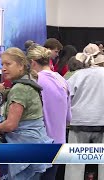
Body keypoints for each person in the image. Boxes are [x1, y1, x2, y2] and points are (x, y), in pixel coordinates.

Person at [0, 47, 52, 180]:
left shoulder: (19, 89)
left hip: (25, 148)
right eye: (2, 64)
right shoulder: (29, 83)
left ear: (21, 66)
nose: (3, 68)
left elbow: (11, 125)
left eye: (8, 64)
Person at [65, 44, 104, 180]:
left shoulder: (76, 76)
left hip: (78, 122)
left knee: (75, 162)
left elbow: (67, 98)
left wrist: (67, 120)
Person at [27, 45, 71, 180]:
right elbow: (69, 117)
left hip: (40, 142)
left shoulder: (34, 81)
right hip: (59, 143)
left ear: (33, 62)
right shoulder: (62, 79)